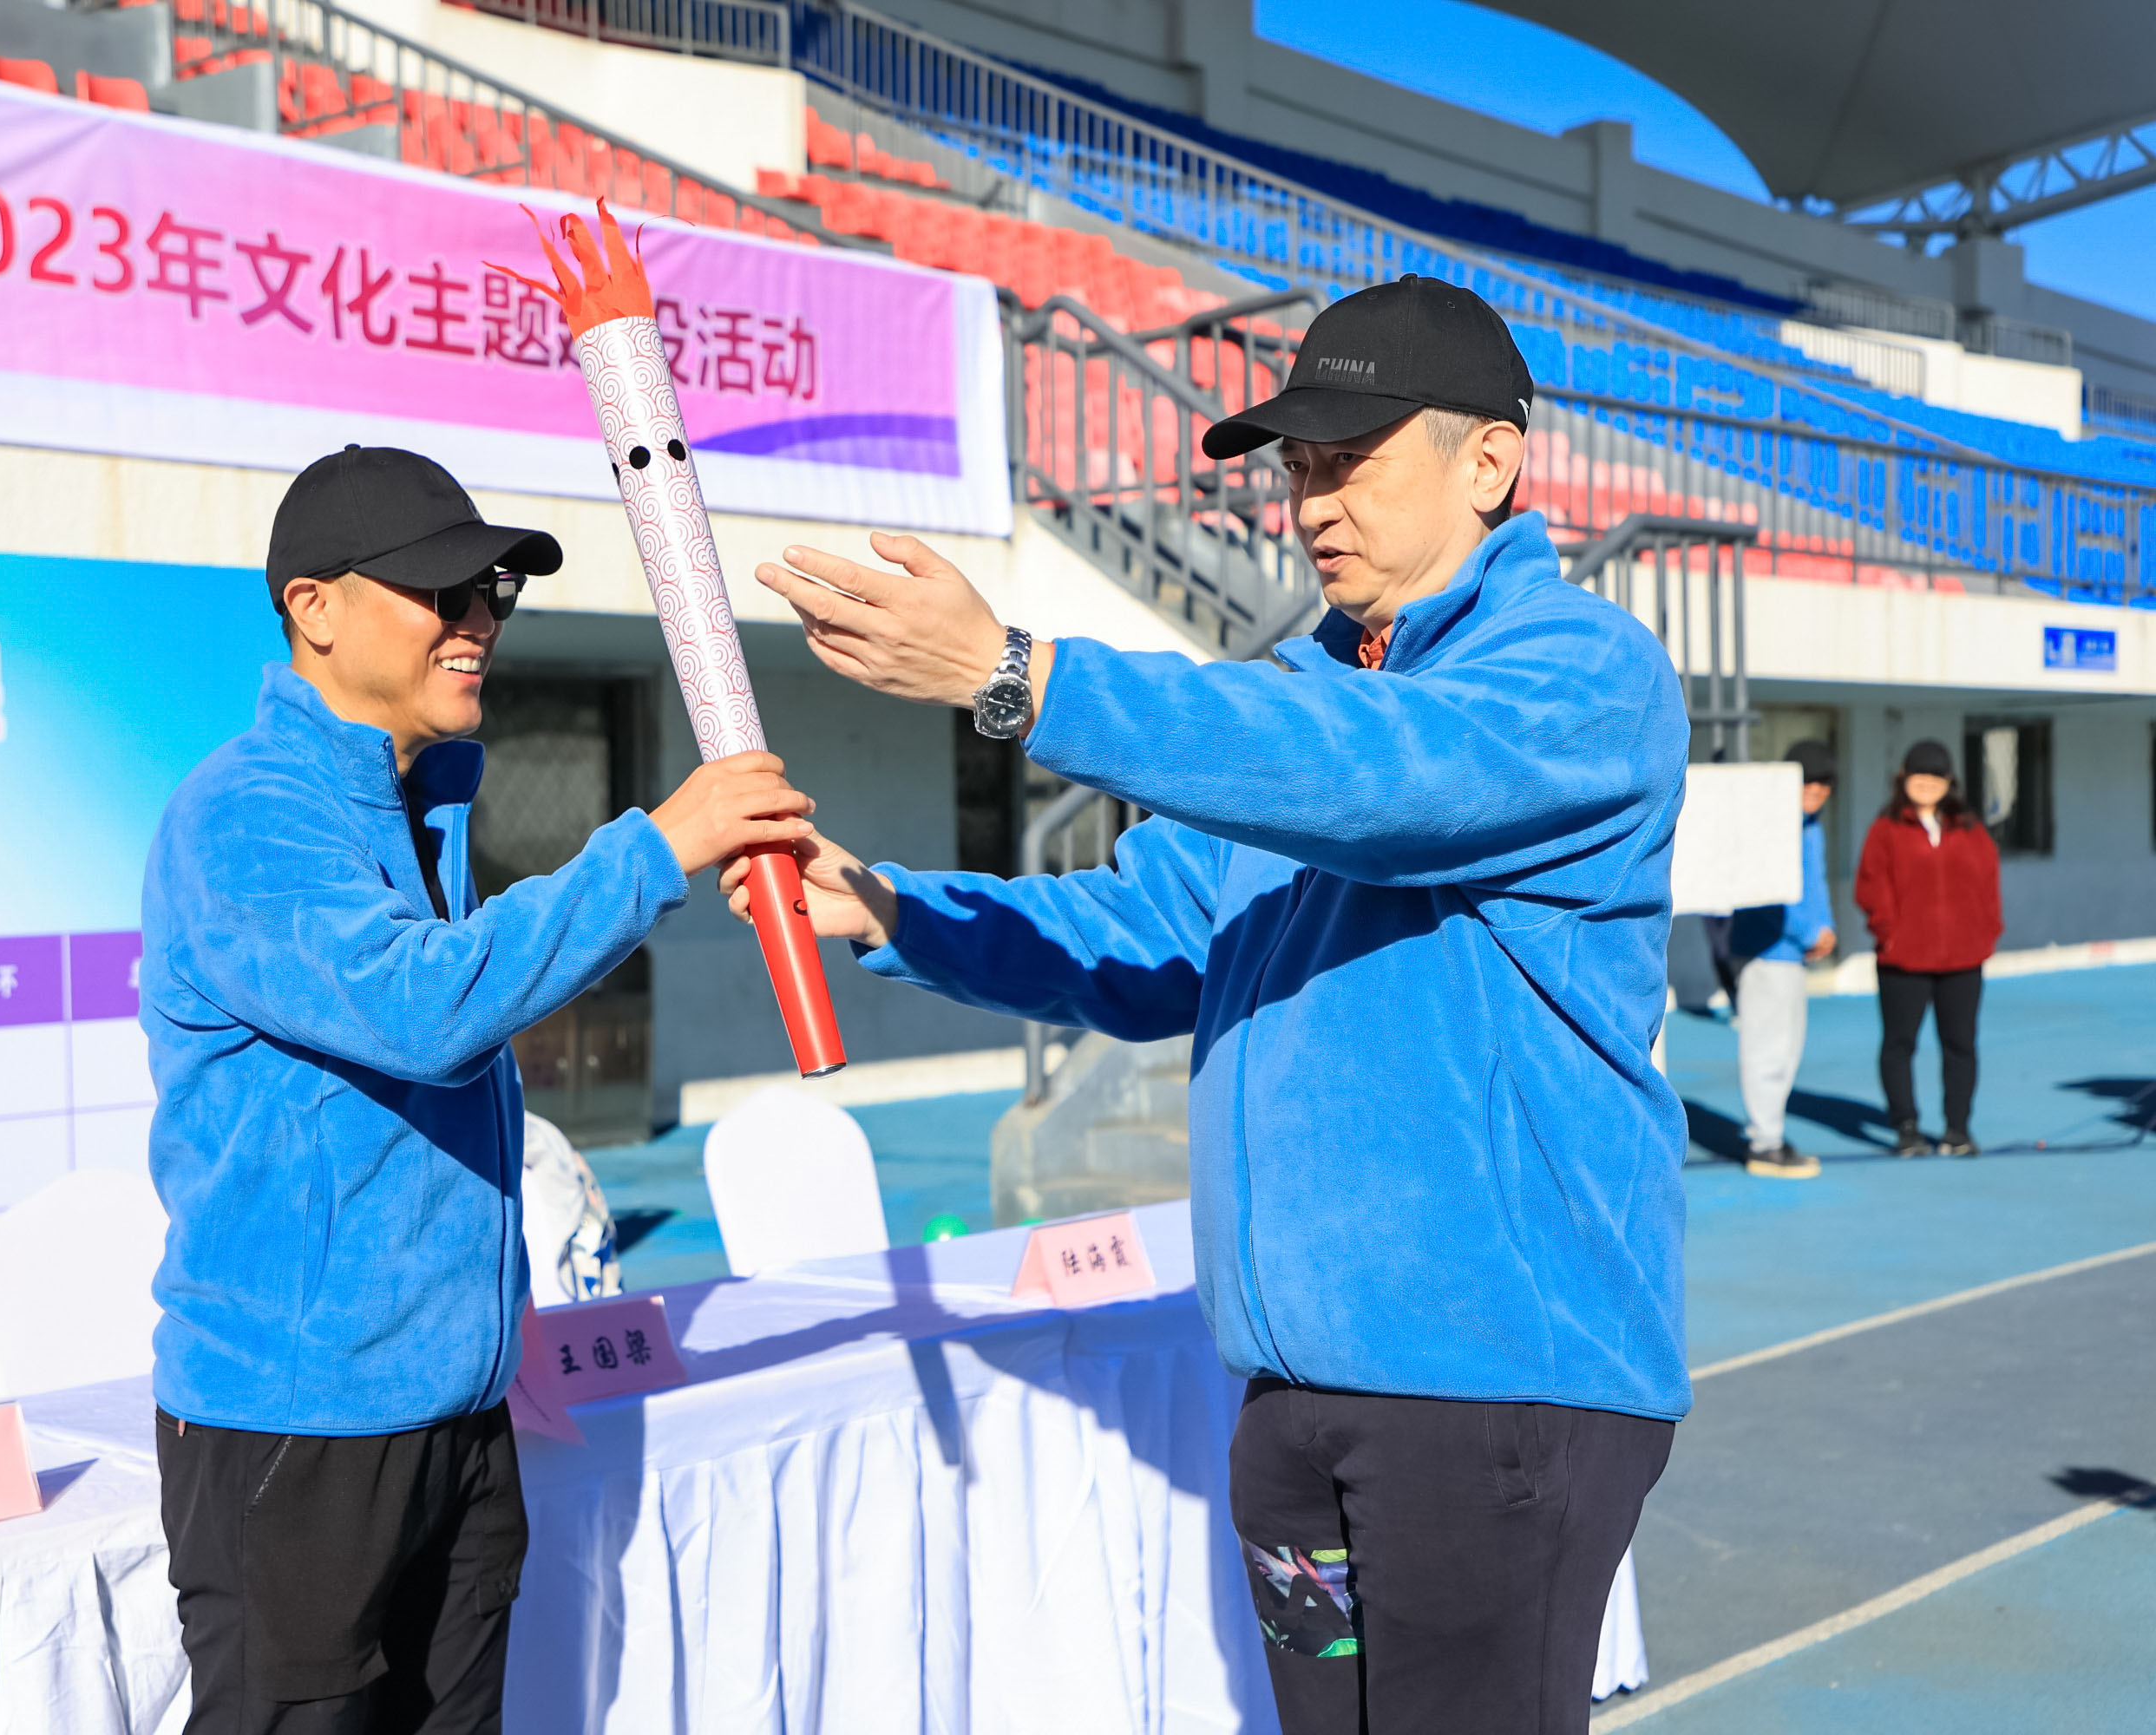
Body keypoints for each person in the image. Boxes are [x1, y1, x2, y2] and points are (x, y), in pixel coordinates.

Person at [737, 276, 1687, 1734]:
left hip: (1493, 1395)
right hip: (1292, 1406)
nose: (1312, 501)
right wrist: (894, 912)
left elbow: (1381, 779)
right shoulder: (1304, 702)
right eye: (1300, 466)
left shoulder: (1580, 675)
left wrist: (1013, 677)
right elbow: (1139, 933)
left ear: (1489, 463)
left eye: (1352, 458)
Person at [141, 445, 814, 1735]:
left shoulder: (417, 806)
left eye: (491, 591)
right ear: (313, 607)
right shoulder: (247, 815)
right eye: (439, 592)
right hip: (304, 1425)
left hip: (460, 1409)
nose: (477, 620)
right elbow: (424, 1007)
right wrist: (659, 845)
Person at [1854, 737, 2001, 1158]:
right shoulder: (1886, 830)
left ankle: (1958, 1130)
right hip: (1903, 959)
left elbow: (1989, 883)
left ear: (1950, 781)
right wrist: (1889, 931)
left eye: (1936, 775)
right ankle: (1906, 1127)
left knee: (1961, 1046)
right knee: (1899, 1045)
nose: (1927, 782)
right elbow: (1870, 886)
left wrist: (1986, 932)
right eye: (1920, 773)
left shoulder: (1970, 829)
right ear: (1903, 777)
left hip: (1963, 959)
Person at [1727, 741, 1838, 1178]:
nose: (1817, 788)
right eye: (1808, 779)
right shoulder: (1768, 826)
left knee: (1787, 1049)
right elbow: (1767, 894)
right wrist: (1812, 933)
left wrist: (1825, 927)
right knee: (1768, 1049)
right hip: (1764, 951)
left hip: (1790, 954)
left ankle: (1768, 1135)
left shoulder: (1811, 827)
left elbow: (1816, 885)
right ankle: (1764, 1145)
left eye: (1825, 781)